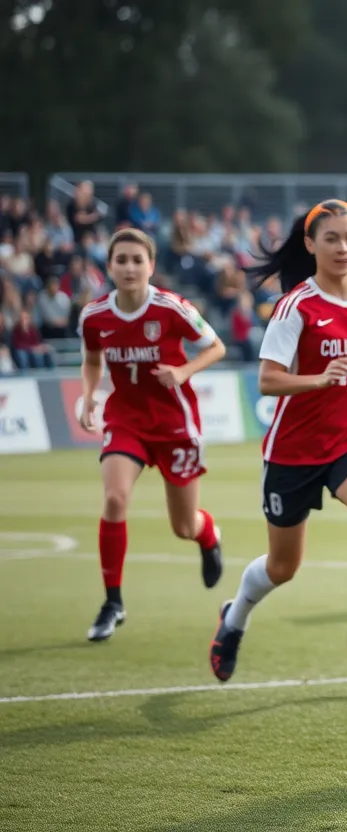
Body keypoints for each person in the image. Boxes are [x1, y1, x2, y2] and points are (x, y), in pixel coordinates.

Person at [209, 199, 347, 682]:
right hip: (293, 449)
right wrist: (318, 380)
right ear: (311, 244)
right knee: (282, 567)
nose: (344, 247)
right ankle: (233, 619)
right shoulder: (295, 305)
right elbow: (268, 381)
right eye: (333, 238)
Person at [77, 229, 228, 641]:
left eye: (136, 260)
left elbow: (216, 347)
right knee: (114, 497)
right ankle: (113, 602)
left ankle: (208, 534)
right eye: (121, 260)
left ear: (151, 266)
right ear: (108, 266)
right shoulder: (94, 316)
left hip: (175, 425)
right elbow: (92, 359)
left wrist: (182, 371)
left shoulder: (172, 308)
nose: (129, 267)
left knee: (183, 525)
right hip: (126, 420)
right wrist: (89, 396)